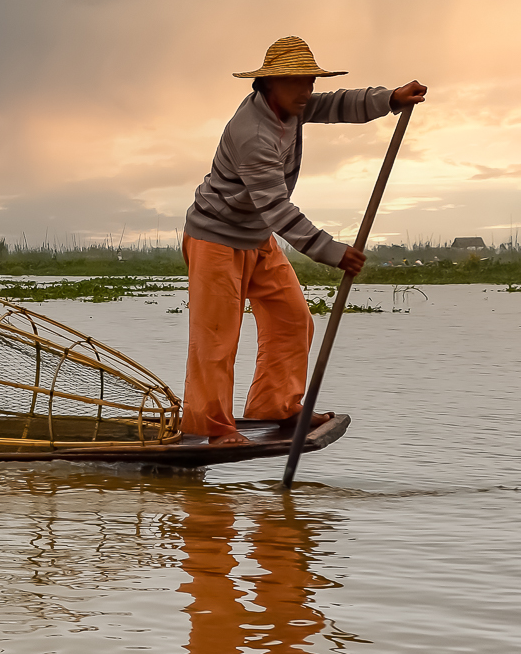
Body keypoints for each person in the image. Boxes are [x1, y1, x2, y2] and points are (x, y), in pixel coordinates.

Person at [182, 36, 427, 445]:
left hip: (256, 238)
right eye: (298, 83)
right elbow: (277, 209)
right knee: (216, 341)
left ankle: (276, 406)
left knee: (292, 320)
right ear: (269, 84)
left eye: (310, 81)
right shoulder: (252, 133)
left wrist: (390, 99)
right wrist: (333, 252)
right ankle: (214, 428)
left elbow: (338, 104)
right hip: (216, 240)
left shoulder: (291, 107)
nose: (307, 91)